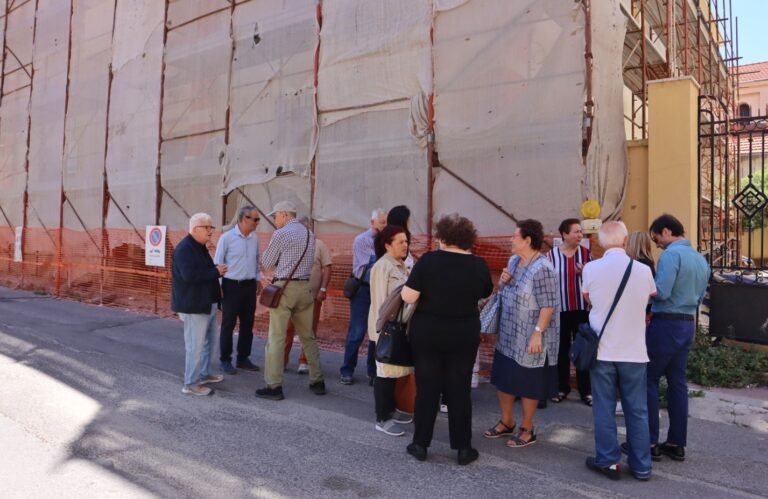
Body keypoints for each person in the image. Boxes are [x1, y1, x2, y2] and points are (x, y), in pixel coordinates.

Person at [401, 214, 493, 465]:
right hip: (463, 332)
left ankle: (420, 443)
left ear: (442, 237)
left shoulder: (429, 261)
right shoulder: (478, 264)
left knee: (427, 388)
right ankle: (463, 448)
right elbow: (486, 292)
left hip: (428, 331)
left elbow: (408, 297)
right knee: (460, 390)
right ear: (467, 238)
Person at [581, 221, 657, 481]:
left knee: (603, 406)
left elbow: (588, 299)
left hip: (602, 351)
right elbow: (649, 298)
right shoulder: (643, 270)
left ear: (601, 243)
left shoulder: (591, 268)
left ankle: (609, 461)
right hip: (635, 350)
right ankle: (642, 466)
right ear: (625, 242)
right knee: (637, 409)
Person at [484, 219, 558, 448]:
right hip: (508, 333)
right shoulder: (514, 260)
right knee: (503, 378)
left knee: (529, 383)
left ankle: (527, 428)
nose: (510, 239)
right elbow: (509, 291)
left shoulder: (543, 268)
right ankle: (507, 421)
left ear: (527, 240)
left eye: (515, 236)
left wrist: (538, 333)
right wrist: (504, 282)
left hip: (530, 336)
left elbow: (549, 305)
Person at [644, 214, 710, 462]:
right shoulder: (700, 259)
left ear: (668, 231)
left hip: (666, 323)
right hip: (687, 324)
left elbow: (661, 292)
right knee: (677, 383)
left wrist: (643, 291)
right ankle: (676, 442)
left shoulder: (671, 255)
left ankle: (649, 441)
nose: (657, 243)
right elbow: (701, 297)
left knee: (648, 378)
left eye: (657, 238)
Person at [255, 201, 325, 400]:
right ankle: (317, 380)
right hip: (305, 287)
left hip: (284, 288)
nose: (275, 220)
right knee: (307, 337)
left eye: (275, 216)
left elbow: (267, 262)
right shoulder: (310, 235)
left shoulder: (281, 234)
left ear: (284, 215)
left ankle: (273, 385)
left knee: (276, 338)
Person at [172, 213, 227, 396]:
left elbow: (204, 271)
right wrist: (216, 272)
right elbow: (190, 276)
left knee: (209, 343)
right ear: (195, 229)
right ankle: (190, 384)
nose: (211, 231)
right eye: (208, 227)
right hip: (194, 305)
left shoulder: (199, 246)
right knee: (195, 346)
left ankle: (203, 374)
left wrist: (215, 270)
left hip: (206, 303)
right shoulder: (185, 249)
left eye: (212, 227)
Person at [368, 225, 413, 437]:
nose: (405, 245)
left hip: (398, 327)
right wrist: (382, 330)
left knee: (392, 369)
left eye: (406, 241)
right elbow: (379, 301)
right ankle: (382, 417)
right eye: (400, 242)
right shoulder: (382, 266)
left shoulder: (400, 265)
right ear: (388, 245)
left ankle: (391, 409)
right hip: (386, 328)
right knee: (384, 372)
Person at [340, 209, 388, 385]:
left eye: (386, 222)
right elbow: (371, 265)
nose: (384, 226)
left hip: (379, 291)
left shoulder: (385, 241)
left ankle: (372, 371)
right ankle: (347, 369)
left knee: (376, 332)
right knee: (357, 332)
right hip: (363, 289)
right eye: (382, 222)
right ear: (372, 222)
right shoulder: (362, 240)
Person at [548, 218, 592, 405]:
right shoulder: (551, 255)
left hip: (582, 309)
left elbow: (595, 280)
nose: (579, 235)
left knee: (583, 350)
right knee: (561, 350)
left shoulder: (586, 253)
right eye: (575, 232)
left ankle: (586, 391)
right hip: (560, 310)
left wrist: (585, 273)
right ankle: (562, 387)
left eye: (581, 232)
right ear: (564, 234)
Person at [213, 206, 262, 375]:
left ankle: (243, 358)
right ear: (243, 219)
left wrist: (258, 279)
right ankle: (225, 360)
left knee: (248, 324)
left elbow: (257, 260)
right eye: (255, 219)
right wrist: (218, 287)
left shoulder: (255, 238)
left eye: (258, 220)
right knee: (229, 324)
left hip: (249, 286)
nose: (257, 223)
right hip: (230, 285)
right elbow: (218, 262)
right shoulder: (227, 238)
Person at [284, 216, 333, 374]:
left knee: (309, 330)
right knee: (287, 329)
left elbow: (327, 268)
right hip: (291, 295)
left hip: (312, 297)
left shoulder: (319, 245)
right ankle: (282, 360)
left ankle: (304, 361)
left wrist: (323, 289)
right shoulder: (291, 244)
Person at [387, 205, 414, 269]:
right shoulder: (397, 240)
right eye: (408, 220)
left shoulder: (388, 236)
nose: (410, 222)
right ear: (403, 222)